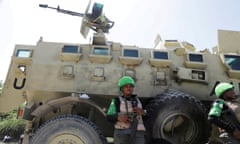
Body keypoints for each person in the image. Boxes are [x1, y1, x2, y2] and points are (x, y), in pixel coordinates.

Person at [107, 76, 146, 144]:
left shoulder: (139, 101)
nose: (128, 88)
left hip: (138, 133)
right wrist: (118, 118)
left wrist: (143, 112)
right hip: (122, 132)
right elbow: (109, 117)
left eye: (130, 86)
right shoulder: (117, 101)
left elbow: (149, 116)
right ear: (121, 89)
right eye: (126, 86)